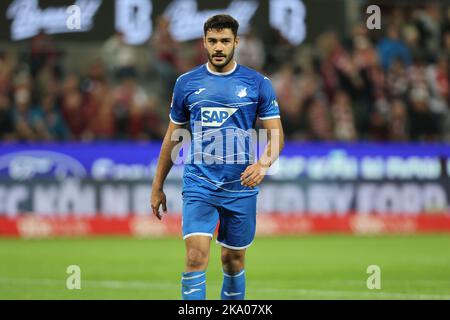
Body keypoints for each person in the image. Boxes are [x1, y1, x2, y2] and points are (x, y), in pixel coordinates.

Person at [150, 15, 284, 300]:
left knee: (233, 262)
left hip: (240, 187)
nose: (219, 47)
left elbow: (276, 135)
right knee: (196, 256)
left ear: (236, 41)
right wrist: (157, 185)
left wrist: (263, 163)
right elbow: (173, 136)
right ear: (204, 43)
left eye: (225, 41)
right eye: (212, 41)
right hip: (200, 184)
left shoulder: (258, 83)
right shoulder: (186, 84)